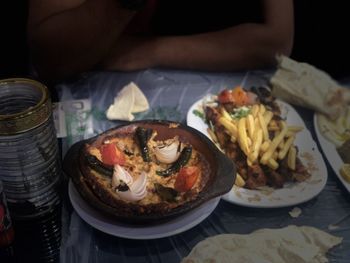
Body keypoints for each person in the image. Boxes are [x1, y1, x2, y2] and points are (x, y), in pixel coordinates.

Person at [27, 0, 294, 83]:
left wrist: (149, 51)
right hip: (100, 93)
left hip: (233, 91)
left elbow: (276, 42)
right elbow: (52, 60)